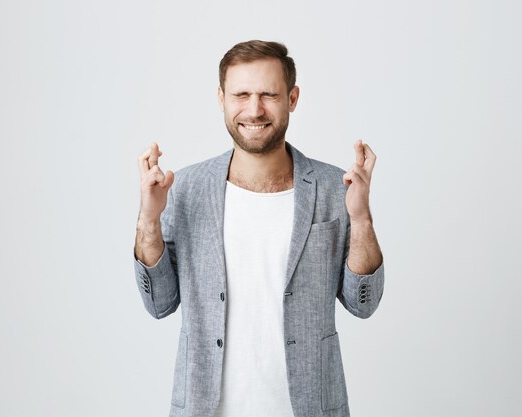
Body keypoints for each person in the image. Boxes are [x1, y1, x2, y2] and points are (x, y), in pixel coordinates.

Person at [133, 40, 384, 417]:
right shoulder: (184, 188)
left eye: (268, 94)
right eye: (241, 94)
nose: (254, 109)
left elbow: (363, 304)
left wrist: (362, 219)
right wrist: (148, 219)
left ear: (292, 98)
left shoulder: (337, 187)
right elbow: (159, 304)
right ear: (221, 98)